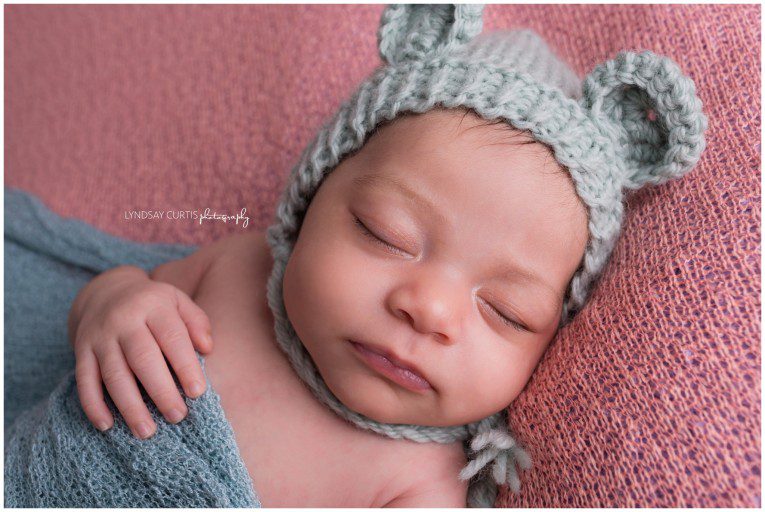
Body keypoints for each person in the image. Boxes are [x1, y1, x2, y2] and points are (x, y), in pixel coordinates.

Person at [29, 4, 708, 508]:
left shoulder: (420, 484)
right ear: (309, 201)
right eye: (385, 234)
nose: (429, 309)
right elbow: (119, 288)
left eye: (506, 311)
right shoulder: (237, 270)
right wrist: (114, 305)